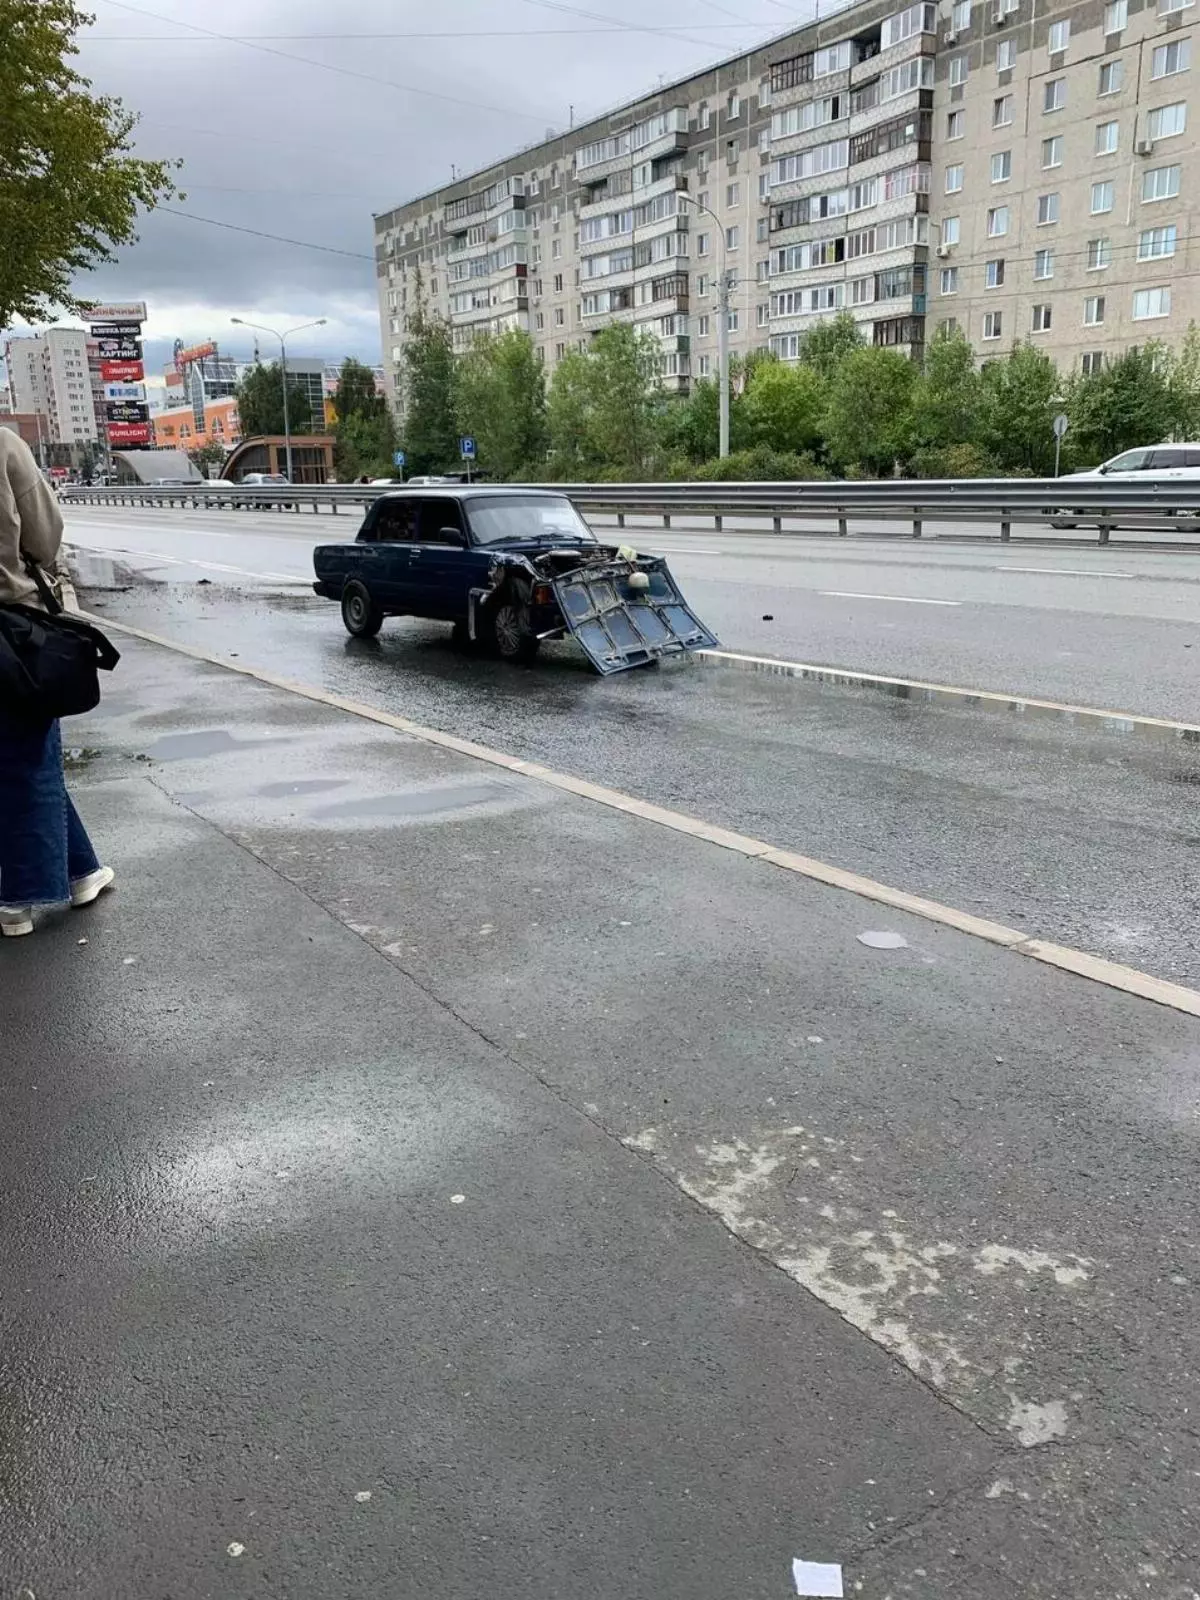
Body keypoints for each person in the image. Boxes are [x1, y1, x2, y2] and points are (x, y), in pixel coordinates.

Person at [0, 428, 113, 937]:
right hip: (13, 628)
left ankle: (82, 872)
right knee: (27, 757)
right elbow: (44, 538)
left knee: (24, 755)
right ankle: (18, 900)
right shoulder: (3, 445)